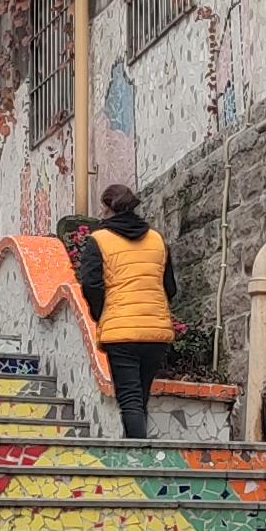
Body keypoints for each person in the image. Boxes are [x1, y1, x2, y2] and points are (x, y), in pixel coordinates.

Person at [69, 183, 179, 439]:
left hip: (120, 332)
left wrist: (101, 314)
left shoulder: (99, 240)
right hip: (155, 333)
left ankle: (138, 456)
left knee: (129, 399)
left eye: (102, 207)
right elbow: (170, 287)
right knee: (140, 397)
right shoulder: (157, 240)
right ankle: (138, 450)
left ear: (108, 208)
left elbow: (91, 285)